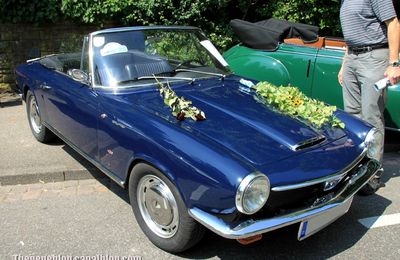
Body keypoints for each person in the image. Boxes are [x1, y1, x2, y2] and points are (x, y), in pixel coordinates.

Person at [338, 0, 400, 195]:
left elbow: (394, 23)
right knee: (352, 117)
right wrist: (344, 65)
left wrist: (394, 63)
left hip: (374, 57)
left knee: (371, 117)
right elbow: (351, 36)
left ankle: (372, 175)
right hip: (352, 58)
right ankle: (354, 170)